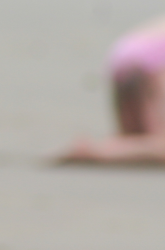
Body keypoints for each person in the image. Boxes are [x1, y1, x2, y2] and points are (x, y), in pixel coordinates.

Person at [59, 16, 165, 164]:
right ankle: (96, 151)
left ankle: (106, 149)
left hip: (122, 51)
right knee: (159, 143)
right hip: (154, 62)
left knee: (133, 136)